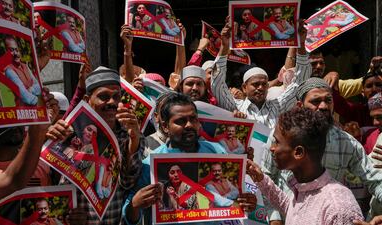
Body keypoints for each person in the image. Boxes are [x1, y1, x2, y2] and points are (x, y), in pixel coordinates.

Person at [122, 92, 257, 225]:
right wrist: (135, 205)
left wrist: (247, 202)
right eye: (180, 121)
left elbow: (231, 201)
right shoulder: (150, 165)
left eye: (193, 119)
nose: (189, 125)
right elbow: (130, 215)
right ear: (165, 126)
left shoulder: (217, 151)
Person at [261, 77, 382, 224]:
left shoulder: (345, 142)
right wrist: (274, 218)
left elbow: (375, 180)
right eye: (316, 101)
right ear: (300, 106)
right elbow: (267, 175)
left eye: (328, 100)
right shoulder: (280, 138)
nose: (324, 106)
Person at [46, 67, 144, 224]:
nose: (112, 102)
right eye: (104, 97)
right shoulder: (71, 131)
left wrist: (134, 140)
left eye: (116, 97)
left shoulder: (129, 133)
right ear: (86, 100)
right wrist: (48, 134)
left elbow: (127, 182)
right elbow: (51, 180)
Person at [248, 107, 363, 224]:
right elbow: (293, 211)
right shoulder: (302, 187)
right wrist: (261, 179)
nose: (272, 148)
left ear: (298, 153)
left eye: (277, 142)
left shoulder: (338, 207)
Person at [211, 20, 310, 128]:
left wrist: (300, 44)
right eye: (255, 84)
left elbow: (299, 82)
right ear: (244, 87)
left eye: (264, 84)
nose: (260, 88)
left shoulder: (278, 105)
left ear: (268, 87)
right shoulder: (235, 106)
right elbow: (217, 85)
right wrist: (224, 47)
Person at [0, 91, 57, 206]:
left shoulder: (40, 164)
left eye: (18, 117)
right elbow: (13, 180)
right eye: (4, 117)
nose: (14, 124)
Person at [4, 36, 41, 106]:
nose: (15, 53)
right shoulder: (9, 71)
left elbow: (39, 86)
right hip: (23, 110)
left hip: (35, 109)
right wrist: (40, 102)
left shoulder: (25, 66)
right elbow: (26, 97)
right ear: (6, 52)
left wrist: (31, 89)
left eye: (16, 50)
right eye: (11, 50)